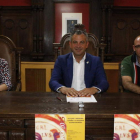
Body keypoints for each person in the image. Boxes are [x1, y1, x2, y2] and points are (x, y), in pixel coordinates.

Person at [49, 30, 109, 96]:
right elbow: (53, 81)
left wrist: (93, 89)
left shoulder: (95, 61)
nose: (78, 46)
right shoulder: (61, 60)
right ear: (70, 44)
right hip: (67, 98)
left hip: (89, 98)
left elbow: (104, 82)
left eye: (82, 42)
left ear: (87, 44)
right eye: (75, 42)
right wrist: (64, 89)